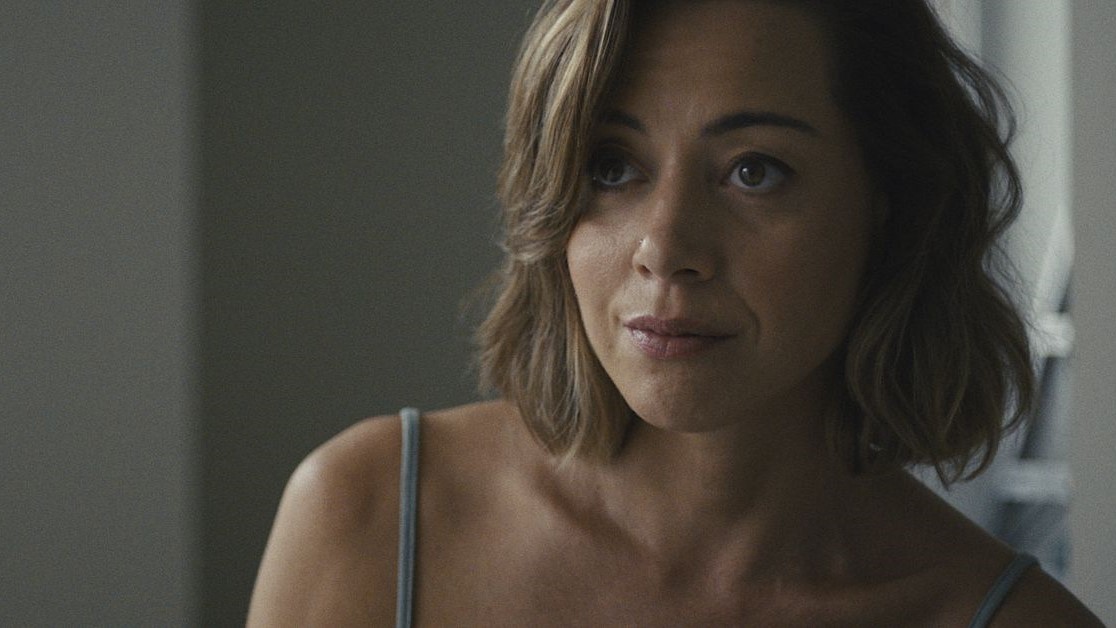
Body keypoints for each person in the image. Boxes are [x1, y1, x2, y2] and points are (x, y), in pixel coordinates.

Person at [247, 0, 1103, 625]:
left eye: (754, 170)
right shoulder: (369, 521)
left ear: (892, 203)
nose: (665, 246)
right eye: (611, 166)